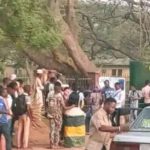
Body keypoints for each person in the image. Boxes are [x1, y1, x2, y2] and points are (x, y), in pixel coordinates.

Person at [46, 82, 74, 149]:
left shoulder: (50, 94)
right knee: (57, 130)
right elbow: (64, 107)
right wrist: (72, 106)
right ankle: (55, 144)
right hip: (58, 115)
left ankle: (51, 144)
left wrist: (47, 111)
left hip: (51, 115)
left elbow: (46, 103)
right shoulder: (60, 96)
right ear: (59, 88)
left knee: (52, 130)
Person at [0, 86, 12, 150]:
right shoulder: (1, 100)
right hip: (2, 122)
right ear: (1, 93)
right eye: (5, 92)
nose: (6, 93)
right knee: (8, 139)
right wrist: (7, 112)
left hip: (3, 121)